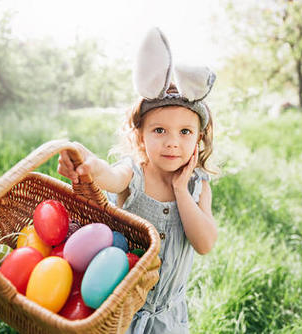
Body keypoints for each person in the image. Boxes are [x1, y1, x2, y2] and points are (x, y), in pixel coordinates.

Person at [57, 27, 218, 334]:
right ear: (141, 137)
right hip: (120, 311)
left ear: (199, 139)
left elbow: (205, 243)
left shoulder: (198, 185)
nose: (172, 142)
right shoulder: (135, 172)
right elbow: (110, 177)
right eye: (160, 130)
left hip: (168, 316)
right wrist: (91, 165)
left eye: (185, 132)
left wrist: (181, 191)